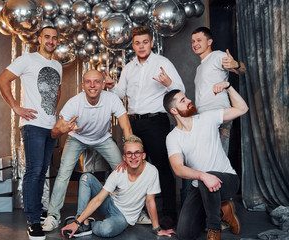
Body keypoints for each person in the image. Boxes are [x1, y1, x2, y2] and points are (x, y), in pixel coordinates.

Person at [104, 25, 185, 226]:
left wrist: (168, 83)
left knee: (162, 167)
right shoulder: (129, 68)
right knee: (135, 167)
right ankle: (136, 212)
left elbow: (181, 90)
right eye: (138, 43)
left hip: (156, 122)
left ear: (152, 43)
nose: (141, 46)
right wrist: (112, 86)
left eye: (145, 42)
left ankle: (168, 214)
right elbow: (120, 95)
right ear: (133, 45)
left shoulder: (162, 63)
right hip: (133, 124)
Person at [43, 69, 132, 232]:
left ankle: (130, 209)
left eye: (97, 81)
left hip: (102, 138)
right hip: (77, 138)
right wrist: (62, 129)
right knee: (63, 173)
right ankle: (53, 216)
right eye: (88, 82)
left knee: (124, 169)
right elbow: (54, 131)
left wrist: (130, 148)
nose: (92, 85)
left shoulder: (111, 99)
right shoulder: (74, 103)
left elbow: (126, 125)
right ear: (82, 85)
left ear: (103, 84)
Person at [0, 26, 61, 240]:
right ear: (39, 39)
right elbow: (2, 80)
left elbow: (57, 92)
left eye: (54, 38)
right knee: (33, 171)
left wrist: (52, 114)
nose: (50, 41)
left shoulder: (57, 65)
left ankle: (37, 210)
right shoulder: (27, 59)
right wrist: (16, 107)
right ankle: (33, 221)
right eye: (47, 37)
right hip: (32, 126)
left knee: (42, 171)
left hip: (50, 126)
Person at [163, 81, 249, 240]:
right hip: (202, 185)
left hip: (228, 180)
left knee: (205, 179)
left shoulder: (207, 118)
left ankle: (214, 230)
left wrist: (228, 87)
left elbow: (242, 109)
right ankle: (223, 210)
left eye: (186, 98)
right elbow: (178, 168)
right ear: (173, 110)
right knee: (185, 234)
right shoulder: (173, 137)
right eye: (183, 101)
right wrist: (203, 176)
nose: (189, 100)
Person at [61, 135, 176, 238]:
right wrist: (77, 222)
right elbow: (99, 199)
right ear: (124, 157)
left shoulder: (152, 172)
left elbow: (150, 202)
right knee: (86, 177)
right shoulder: (119, 172)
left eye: (137, 152)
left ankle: (90, 223)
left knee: (106, 230)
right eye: (129, 153)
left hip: (123, 217)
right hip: (110, 203)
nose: (133, 157)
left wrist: (157, 229)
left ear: (143, 155)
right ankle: (82, 222)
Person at [191, 26, 246, 155]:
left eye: (199, 40)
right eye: (193, 41)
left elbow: (241, 70)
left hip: (218, 114)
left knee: (218, 159)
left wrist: (236, 65)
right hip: (204, 117)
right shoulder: (199, 68)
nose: (195, 44)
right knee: (208, 158)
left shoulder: (217, 56)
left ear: (209, 42)